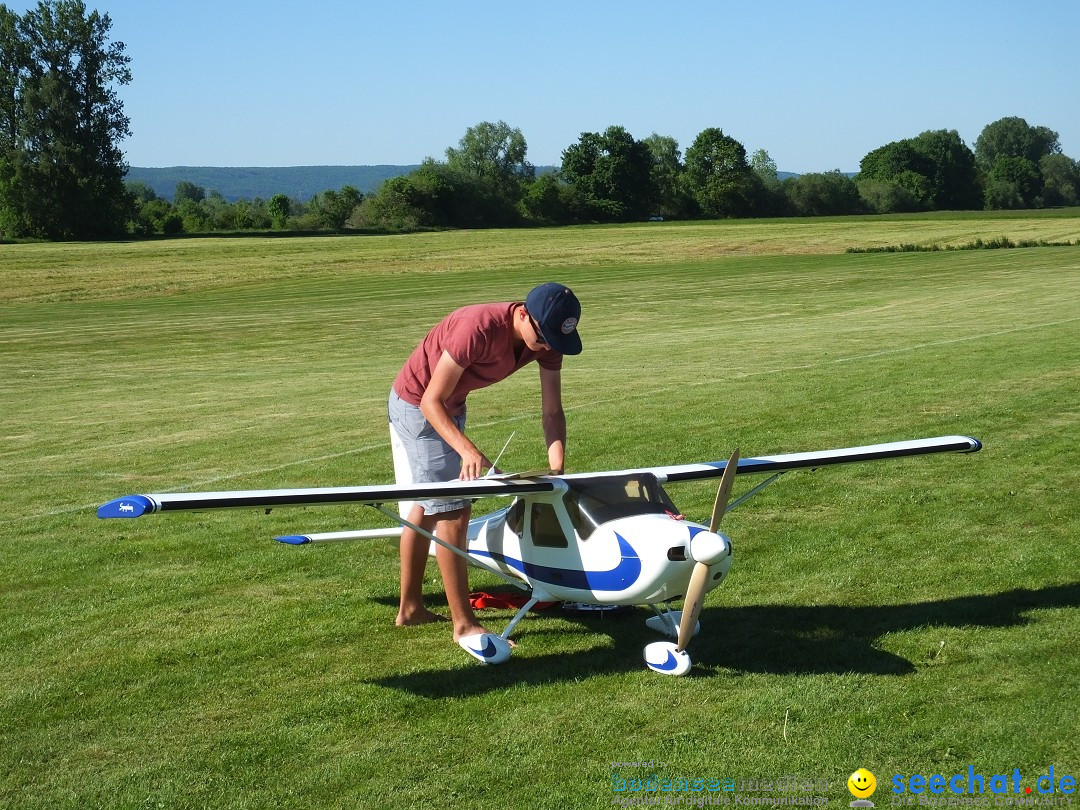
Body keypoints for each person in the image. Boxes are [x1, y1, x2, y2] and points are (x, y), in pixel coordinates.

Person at [387, 282, 582, 645]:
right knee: (453, 510)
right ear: (523, 314)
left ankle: (411, 609)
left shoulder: (546, 342)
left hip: (452, 404)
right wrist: (468, 451)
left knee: (430, 506)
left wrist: (557, 469)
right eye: (544, 338)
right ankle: (464, 625)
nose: (547, 347)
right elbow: (431, 400)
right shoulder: (476, 328)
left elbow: (552, 410)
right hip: (418, 404)